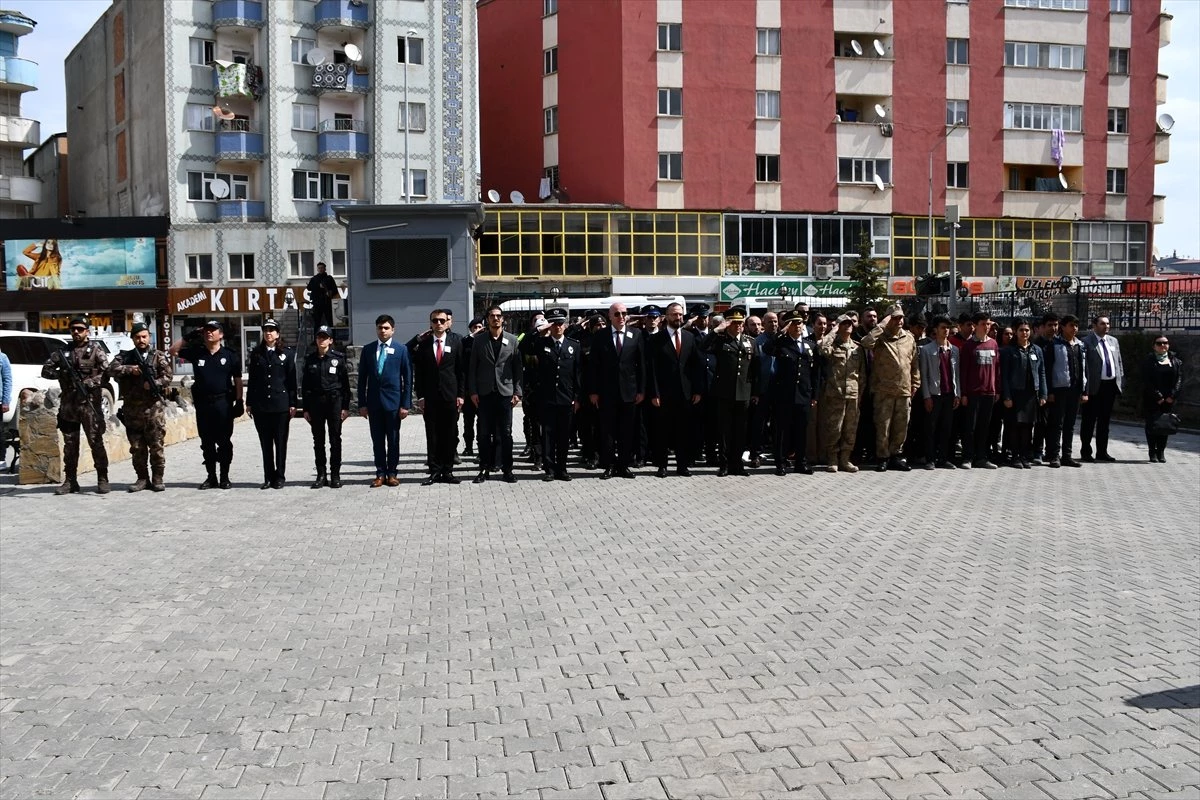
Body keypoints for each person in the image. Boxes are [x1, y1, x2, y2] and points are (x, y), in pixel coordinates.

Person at [41, 317, 111, 494]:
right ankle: (70, 481)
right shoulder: (63, 352)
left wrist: (90, 383)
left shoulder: (96, 350)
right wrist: (61, 374)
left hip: (89, 404)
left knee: (96, 442)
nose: (76, 332)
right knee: (70, 445)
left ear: (87, 331)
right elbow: (45, 370)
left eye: (80, 329)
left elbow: (106, 373)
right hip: (69, 406)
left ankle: (102, 478)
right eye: (73, 329)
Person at [172, 320, 242, 489]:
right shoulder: (197, 353)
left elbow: (237, 380)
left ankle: (224, 477)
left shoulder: (230, 355)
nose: (209, 333)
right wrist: (189, 336)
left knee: (224, 442)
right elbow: (172, 351)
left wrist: (239, 401)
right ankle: (211, 477)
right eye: (207, 330)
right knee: (207, 442)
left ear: (221, 334)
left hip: (223, 403)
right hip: (204, 405)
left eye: (213, 330)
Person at [106, 322, 173, 491]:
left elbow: (168, 376)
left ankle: (157, 478)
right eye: (137, 337)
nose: (141, 340)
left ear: (149, 337)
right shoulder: (126, 357)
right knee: (137, 448)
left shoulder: (158, 356)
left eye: (144, 336)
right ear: (133, 339)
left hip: (153, 410)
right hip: (132, 410)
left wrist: (155, 384)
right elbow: (111, 369)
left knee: (156, 446)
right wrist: (131, 370)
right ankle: (142, 479)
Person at [588, 302, 646, 479]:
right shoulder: (600, 336)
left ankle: (624, 465)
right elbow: (593, 366)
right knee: (607, 432)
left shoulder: (636, 335)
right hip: (607, 393)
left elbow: (642, 365)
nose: (621, 317)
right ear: (610, 316)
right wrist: (593, 391)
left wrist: (641, 390)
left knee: (626, 431)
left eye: (624, 314)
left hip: (629, 392)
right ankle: (610, 465)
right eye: (617, 314)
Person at [645, 302, 704, 477]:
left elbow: (696, 366)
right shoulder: (656, 339)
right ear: (666, 316)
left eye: (680, 314)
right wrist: (654, 392)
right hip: (663, 394)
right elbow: (652, 369)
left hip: (686, 394)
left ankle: (682, 466)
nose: (677, 318)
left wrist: (698, 390)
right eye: (674, 314)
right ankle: (662, 465)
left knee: (683, 432)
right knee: (662, 431)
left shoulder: (689, 337)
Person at [702, 306, 762, 477]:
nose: (738, 326)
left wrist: (755, 392)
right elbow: (703, 347)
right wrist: (716, 330)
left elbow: (755, 369)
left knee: (741, 431)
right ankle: (724, 464)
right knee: (724, 431)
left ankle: (738, 465)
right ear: (727, 324)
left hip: (744, 393)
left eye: (740, 323)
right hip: (724, 393)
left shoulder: (750, 341)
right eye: (734, 323)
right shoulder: (720, 340)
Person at [859, 305, 920, 472]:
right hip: (883, 390)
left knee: (901, 426)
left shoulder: (909, 338)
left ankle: (896, 456)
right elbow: (865, 343)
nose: (899, 321)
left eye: (901, 317)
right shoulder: (879, 337)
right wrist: (881, 325)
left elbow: (914, 363)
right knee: (883, 426)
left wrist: (915, 383)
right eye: (894, 318)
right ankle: (882, 457)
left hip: (904, 390)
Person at [468, 305, 522, 484]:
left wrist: (517, 391)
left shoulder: (512, 340)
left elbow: (517, 369)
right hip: (484, 393)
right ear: (487, 319)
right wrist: (473, 391)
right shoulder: (479, 340)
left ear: (503, 319)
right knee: (484, 433)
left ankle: (508, 470)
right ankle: (484, 468)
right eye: (492, 316)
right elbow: (473, 368)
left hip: (505, 392)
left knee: (506, 433)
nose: (496, 319)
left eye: (498, 316)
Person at [412, 308, 466, 485]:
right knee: (432, 435)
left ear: (448, 322)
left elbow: (461, 371)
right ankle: (434, 471)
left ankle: (448, 471)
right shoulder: (424, 344)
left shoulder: (456, 341)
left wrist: (461, 395)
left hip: (450, 396)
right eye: (435, 321)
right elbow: (418, 373)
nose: (439, 324)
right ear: (430, 323)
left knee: (449, 434)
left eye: (442, 320)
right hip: (430, 397)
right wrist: (420, 396)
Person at [357, 314, 412, 487]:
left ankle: (392, 473)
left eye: (386, 328)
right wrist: (362, 404)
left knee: (393, 440)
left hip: (393, 404)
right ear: (376, 329)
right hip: (374, 404)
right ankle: (380, 473)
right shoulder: (368, 349)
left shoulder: (401, 349)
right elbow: (361, 379)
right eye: (380, 328)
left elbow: (408, 379)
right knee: (377, 440)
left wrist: (405, 404)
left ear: (393, 330)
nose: (383, 331)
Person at [764, 309, 818, 475]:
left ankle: (801, 462)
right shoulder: (782, 343)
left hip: (803, 394)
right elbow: (767, 349)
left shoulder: (810, 345)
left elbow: (816, 372)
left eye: (799, 323)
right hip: (784, 395)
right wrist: (781, 332)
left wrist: (814, 395)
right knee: (782, 430)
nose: (797, 326)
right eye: (793, 323)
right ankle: (780, 463)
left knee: (801, 430)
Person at [245, 319, 297, 489]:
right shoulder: (257, 353)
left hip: (280, 405)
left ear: (278, 334)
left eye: (272, 330)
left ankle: (280, 476)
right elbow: (252, 380)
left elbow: (291, 381)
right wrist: (249, 402)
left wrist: (292, 403)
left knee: (281, 443)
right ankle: (268, 477)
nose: (269, 333)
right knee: (265, 443)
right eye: (266, 330)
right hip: (261, 405)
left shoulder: (287, 354)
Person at [532, 307, 581, 481]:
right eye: (554, 324)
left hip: (566, 398)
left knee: (563, 435)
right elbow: (525, 347)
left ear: (565, 325)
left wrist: (576, 397)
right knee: (548, 435)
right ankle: (549, 469)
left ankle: (562, 468)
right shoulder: (541, 344)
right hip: (547, 398)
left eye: (560, 323)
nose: (557, 327)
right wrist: (541, 331)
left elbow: (577, 374)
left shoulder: (574, 345)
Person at [301, 326, 350, 488]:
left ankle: (335, 474)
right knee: (318, 440)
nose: (322, 340)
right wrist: (306, 409)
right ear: (316, 340)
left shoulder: (338, 358)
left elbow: (345, 386)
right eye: (319, 337)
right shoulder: (310, 359)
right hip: (316, 404)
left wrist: (345, 407)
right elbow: (305, 386)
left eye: (325, 337)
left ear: (330, 340)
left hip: (334, 402)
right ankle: (321, 475)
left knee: (335, 439)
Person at [818, 314, 865, 473]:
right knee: (834, 428)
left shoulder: (858, 347)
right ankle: (832, 459)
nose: (848, 326)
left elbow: (862, 374)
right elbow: (822, 348)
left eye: (850, 323)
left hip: (853, 394)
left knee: (850, 428)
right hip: (835, 394)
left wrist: (861, 393)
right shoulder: (832, 345)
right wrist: (834, 330)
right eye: (844, 324)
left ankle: (845, 459)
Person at [999, 319, 1047, 469]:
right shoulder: (1008, 351)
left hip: (1031, 394)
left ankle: (1024, 455)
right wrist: (1006, 396)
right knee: (1014, 426)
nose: (1024, 333)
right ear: (1015, 332)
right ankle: (1014, 456)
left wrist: (1043, 394)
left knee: (1028, 426)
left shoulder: (1036, 350)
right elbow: (1004, 376)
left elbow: (1042, 372)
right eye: (1021, 330)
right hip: (1014, 393)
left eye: (1027, 330)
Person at [1042, 314, 1089, 468]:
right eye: (1071, 325)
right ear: (1063, 327)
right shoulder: (1053, 345)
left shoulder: (1080, 345)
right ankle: (1054, 455)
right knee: (1057, 423)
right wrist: (1049, 391)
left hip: (1075, 390)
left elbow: (1084, 369)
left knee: (1070, 424)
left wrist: (1085, 391)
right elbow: (1047, 369)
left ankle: (1067, 455)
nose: (1074, 328)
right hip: (1059, 389)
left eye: (1076, 325)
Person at [917, 316, 961, 469]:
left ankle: (943, 458)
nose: (946, 330)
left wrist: (957, 394)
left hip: (949, 394)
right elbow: (923, 374)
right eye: (942, 327)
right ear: (935, 329)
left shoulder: (954, 350)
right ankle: (930, 459)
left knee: (946, 428)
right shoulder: (927, 350)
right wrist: (927, 396)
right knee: (931, 428)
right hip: (934, 394)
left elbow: (956, 374)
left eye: (947, 328)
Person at [958, 311, 1000, 469]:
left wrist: (997, 389)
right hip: (972, 393)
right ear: (975, 326)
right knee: (970, 427)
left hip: (989, 393)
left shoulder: (994, 344)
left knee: (985, 427)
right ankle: (967, 457)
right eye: (983, 324)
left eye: (988, 324)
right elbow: (964, 371)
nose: (987, 327)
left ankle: (982, 457)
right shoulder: (969, 345)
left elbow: (997, 369)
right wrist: (963, 393)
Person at [1080, 315, 1124, 462]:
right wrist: (1084, 389)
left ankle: (1102, 451)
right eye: (1102, 324)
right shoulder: (1086, 342)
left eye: (1107, 324)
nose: (1106, 326)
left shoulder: (1113, 341)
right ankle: (1086, 451)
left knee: (1104, 422)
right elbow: (1084, 367)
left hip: (1109, 386)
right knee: (1089, 421)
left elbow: (1118, 363)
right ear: (1094, 326)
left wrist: (1119, 380)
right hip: (1093, 388)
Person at [1142, 336, 1182, 463]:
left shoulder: (1175, 361)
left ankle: (1161, 451)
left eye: (1165, 343)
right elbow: (1146, 381)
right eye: (1159, 343)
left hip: (1169, 399)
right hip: (1153, 398)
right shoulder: (1149, 361)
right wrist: (1158, 396)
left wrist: (1172, 395)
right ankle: (1152, 451)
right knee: (1152, 424)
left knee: (1165, 425)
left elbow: (1179, 380)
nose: (1163, 345)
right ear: (1154, 346)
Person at [748, 310, 779, 468]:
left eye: (775, 321)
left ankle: (779, 454)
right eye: (769, 322)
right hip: (762, 390)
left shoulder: (783, 340)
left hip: (780, 389)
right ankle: (755, 454)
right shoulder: (757, 342)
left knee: (778, 424)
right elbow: (753, 369)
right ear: (764, 324)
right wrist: (754, 391)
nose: (773, 324)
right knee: (759, 425)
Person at [1031, 312, 1059, 461]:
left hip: (1059, 389)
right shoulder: (1036, 346)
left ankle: (1052, 452)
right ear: (1042, 327)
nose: (1053, 328)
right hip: (1042, 390)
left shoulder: (1060, 343)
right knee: (1041, 423)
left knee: (1055, 424)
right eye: (1050, 325)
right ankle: (1037, 451)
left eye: (1055, 325)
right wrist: (1045, 392)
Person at [852, 307, 878, 464]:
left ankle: (873, 452)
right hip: (860, 386)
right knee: (859, 422)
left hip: (877, 385)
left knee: (875, 422)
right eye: (869, 316)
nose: (872, 319)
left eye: (875, 316)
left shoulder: (881, 337)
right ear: (862, 320)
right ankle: (856, 453)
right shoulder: (855, 337)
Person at [460, 316, 484, 456]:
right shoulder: (466, 342)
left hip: (482, 389)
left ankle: (482, 449)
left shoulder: (485, 341)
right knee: (468, 421)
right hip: (469, 389)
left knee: (482, 422)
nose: (478, 329)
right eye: (475, 327)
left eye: (480, 327)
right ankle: (468, 447)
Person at [306, 261, 339, 332]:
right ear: (317, 269)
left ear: (325, 269)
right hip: (317, 303)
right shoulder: (314, 279)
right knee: (317, 322)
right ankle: (315, 340)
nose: (320, 269)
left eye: (322, 268)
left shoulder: (329, 278)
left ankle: (332, 339)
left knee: (330, 321)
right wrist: (318, 286)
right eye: (319, 268)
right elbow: (309, 288)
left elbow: (335, 290)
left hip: (327, 303)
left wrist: (330, 292)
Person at [0, 345, 11, 472]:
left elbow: (7, 380)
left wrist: (5, 401)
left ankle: (1, 459)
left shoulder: (2, 358)